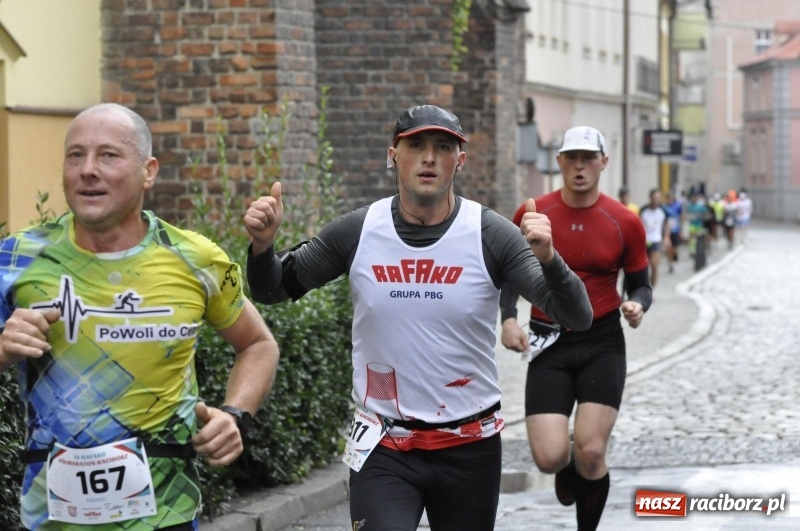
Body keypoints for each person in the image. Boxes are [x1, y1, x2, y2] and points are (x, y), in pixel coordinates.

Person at [243, 104, 592, 531]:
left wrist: (551, 259)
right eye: (416, 145)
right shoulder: (359, 230)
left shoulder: (490, 233)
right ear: (394, 154)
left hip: (469, 447)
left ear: (459, 161)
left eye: (443, 147)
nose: (429, 157)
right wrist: (262, 247)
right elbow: (272, 289)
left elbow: (577, 315)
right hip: (384, 446)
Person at [0, 103, 280, 531]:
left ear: (148, 171)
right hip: (52, 517)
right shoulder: (17, 258)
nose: (88, 170)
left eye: (108, 155)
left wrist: (234, 414)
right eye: (76, 155)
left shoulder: (195, 258)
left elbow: (258, 344)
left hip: (166, 513)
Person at [499, 126, 652, 531]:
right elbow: (510, 275)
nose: (580, 166)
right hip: (548, 340)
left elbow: (641, 283)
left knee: (591, 449)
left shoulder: (625, 221)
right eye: (572, 157)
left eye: (588, 158)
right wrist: (509, 318)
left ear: (603, 162)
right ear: (559, 161)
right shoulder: (534, 213)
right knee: (549, 458)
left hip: (602, 341)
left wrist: (637, 305)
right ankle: (568, 466)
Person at [639, 189, 669, 288]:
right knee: (644, 268)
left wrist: (666, 237)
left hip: (656, 240)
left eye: (658, 198)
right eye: (655, 198)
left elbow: (666, 224)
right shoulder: (643, 210)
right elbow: (638, 224)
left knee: (655, 267)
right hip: (644, 242)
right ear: (650, 198)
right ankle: (645, 287)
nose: (657, 200)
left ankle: (651, 289)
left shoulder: (663, 210)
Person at [662, 191, 684, 272]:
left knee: (675, 248)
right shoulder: (664, 207)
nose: (669, 200)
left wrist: (681, 228)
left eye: (670, 198)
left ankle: (675, 255)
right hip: (667, 231)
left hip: (675, 230)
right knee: (668, 248)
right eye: (668, 198)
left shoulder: (677, 206)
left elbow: (681, 216)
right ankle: (670, 264)